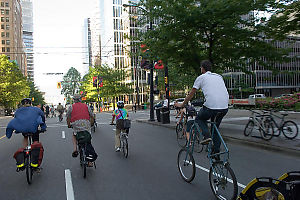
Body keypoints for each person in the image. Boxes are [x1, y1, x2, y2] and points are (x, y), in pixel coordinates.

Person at [175, 60, 229, 156]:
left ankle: (206, 136)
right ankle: (216, 152)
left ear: (202, 68)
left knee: (199, 118)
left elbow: (191, 94)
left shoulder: (201, 77)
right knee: (215, 127)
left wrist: (182, 104)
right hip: (224, 107)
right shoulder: (219, 76)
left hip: (211, 106)